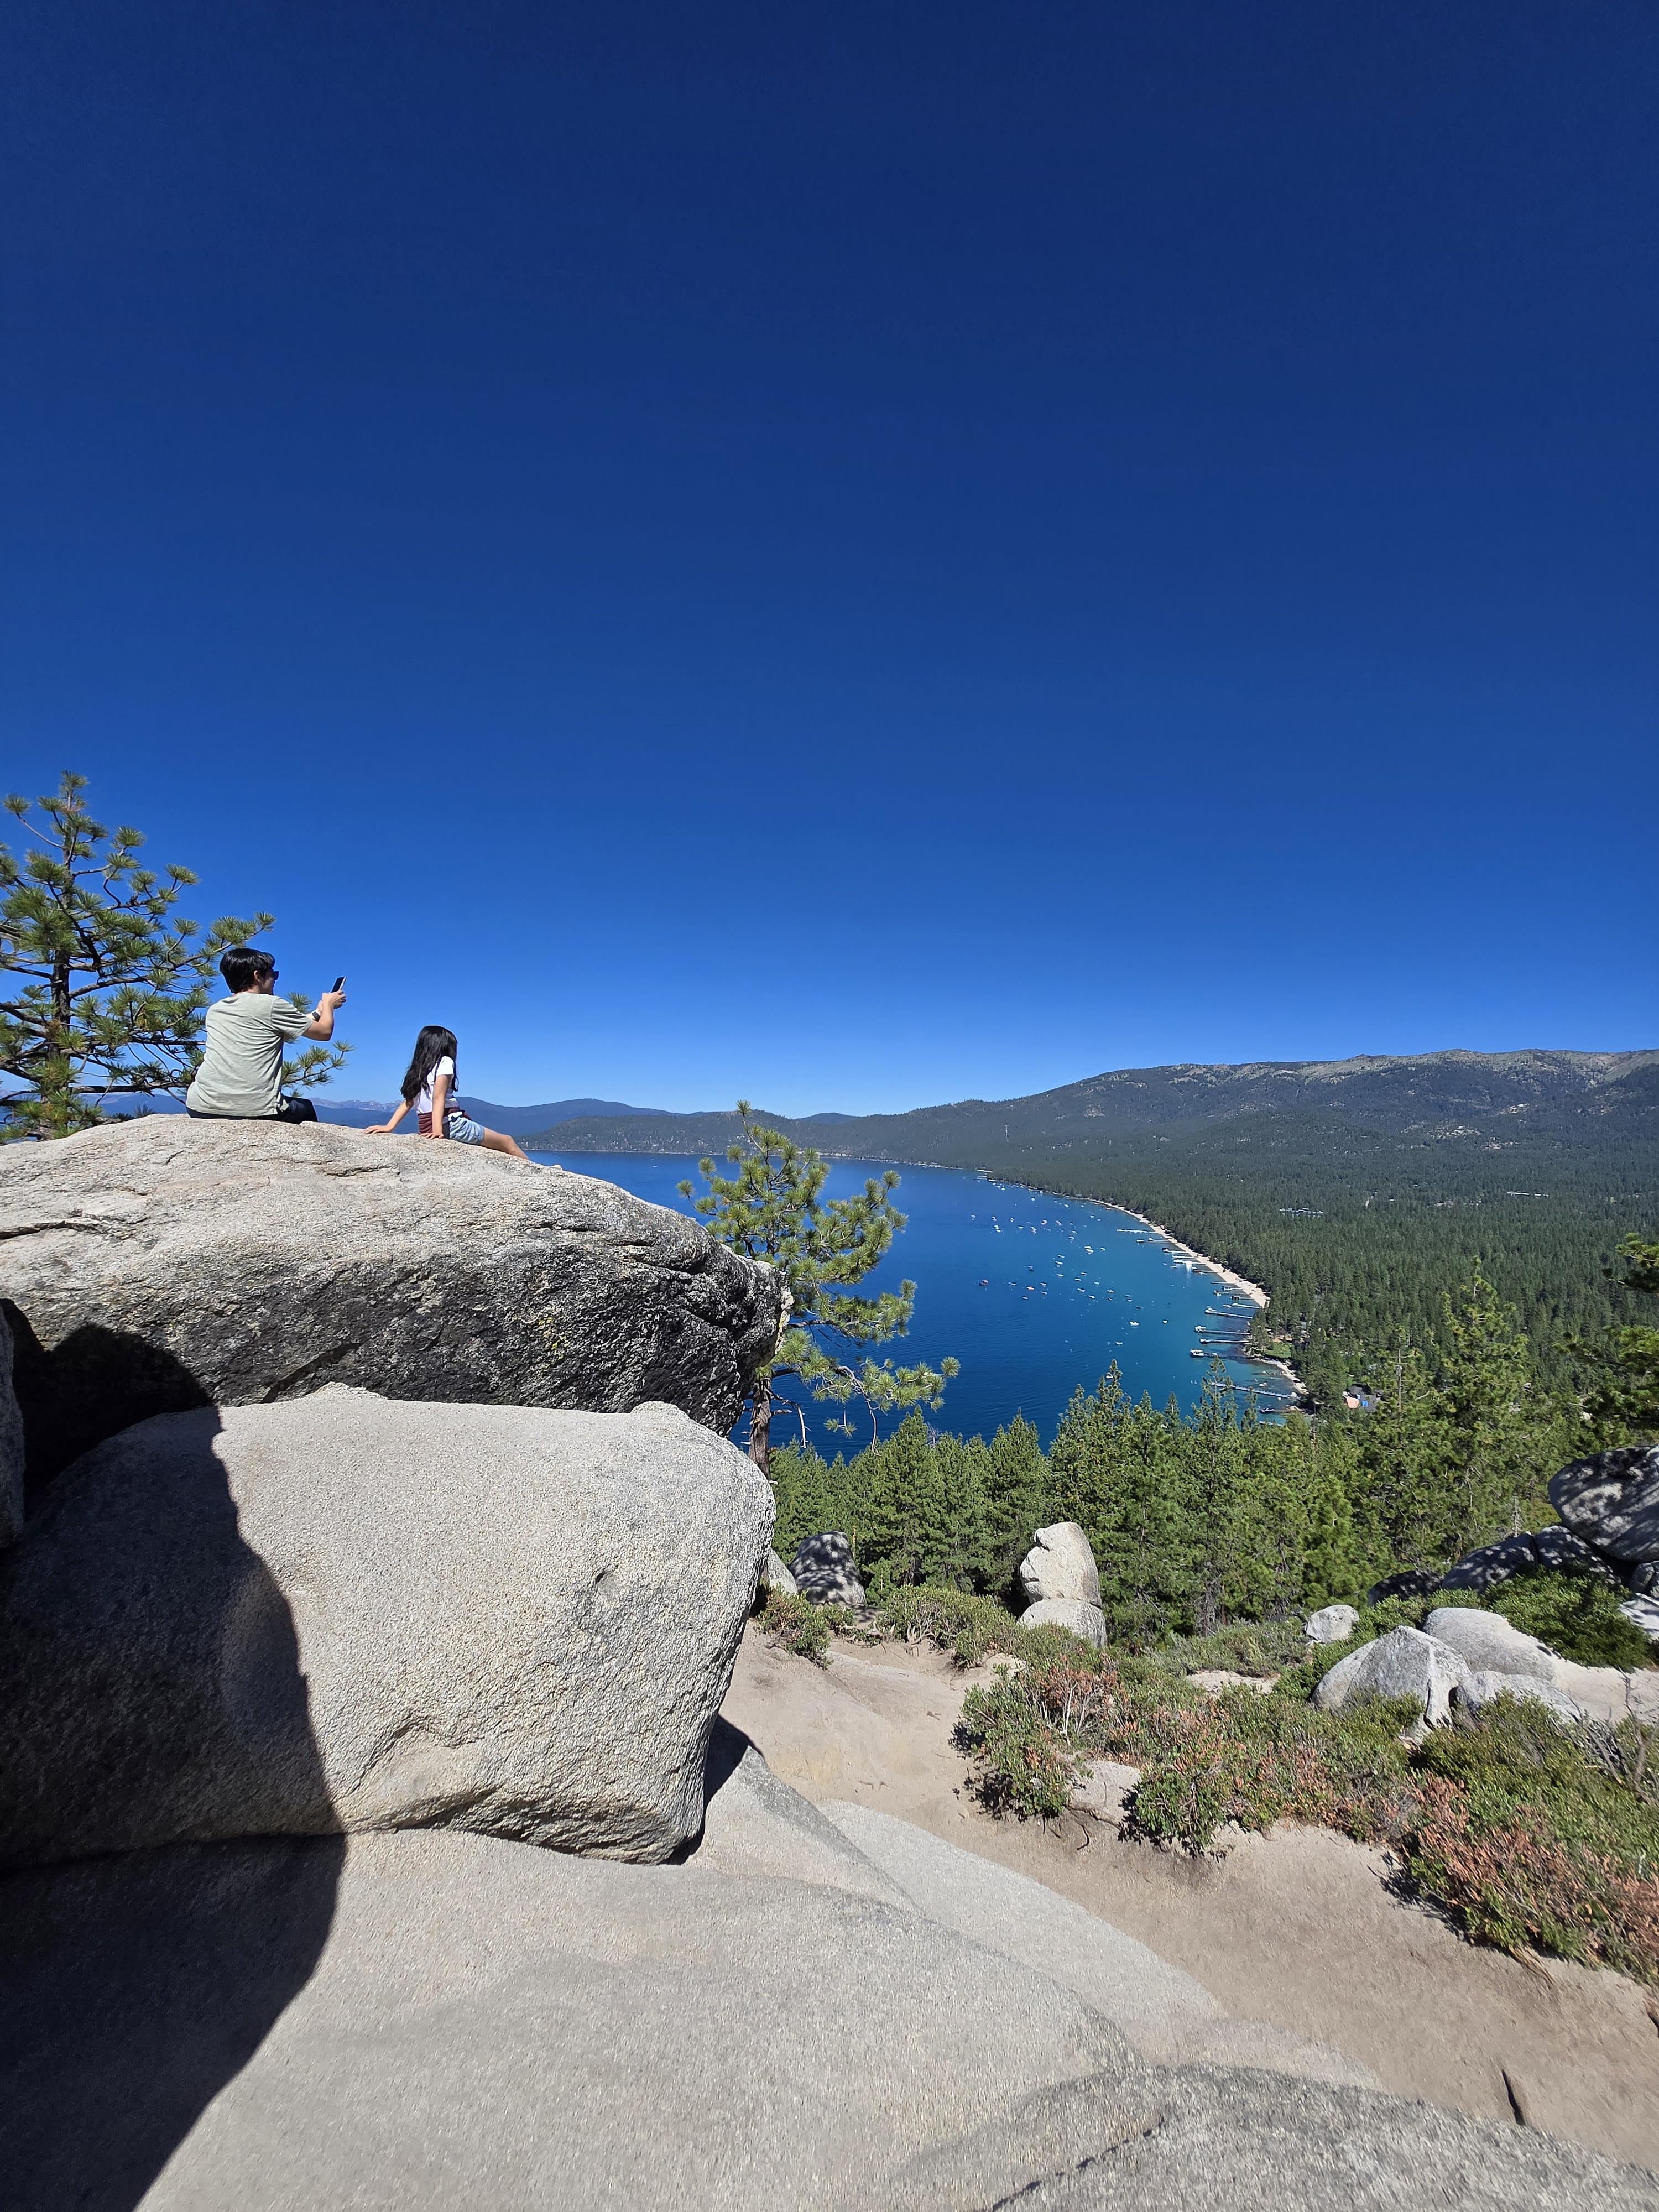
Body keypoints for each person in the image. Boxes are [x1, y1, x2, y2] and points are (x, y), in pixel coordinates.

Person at [185, 947, 344, 1123]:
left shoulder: (216, 1010)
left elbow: (276, 1032)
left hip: (200, 1106)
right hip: (255, 1110)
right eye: (273, 974)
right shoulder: (271, 1004)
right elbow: (324, 1032)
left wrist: (317, 1013)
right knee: (305, 1108)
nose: (275, 980)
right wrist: (329, 1005)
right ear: (258, 976)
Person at [365, 1025, 533, 1159]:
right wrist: (438, 1131)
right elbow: (438, 1098)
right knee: (507, 1142)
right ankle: (537, 1173)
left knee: (497, 1148)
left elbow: (408, 1102)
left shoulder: (419, 1070)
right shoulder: (445, 1062)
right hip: (452, 1125)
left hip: (425, 1127)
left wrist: (389, 1127)